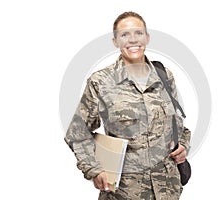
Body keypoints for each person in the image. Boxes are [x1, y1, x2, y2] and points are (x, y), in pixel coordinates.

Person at [65, 11, 191, 200]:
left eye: (138, 33)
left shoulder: (165, 76)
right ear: (115, 41)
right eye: (125, 35)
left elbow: (178, 125)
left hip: (167, 190)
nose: (133, 40)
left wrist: (183, 146)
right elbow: (77, 133)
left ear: (147, 38)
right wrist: (94, 169)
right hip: (124, 193)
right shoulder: (101, 82)